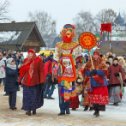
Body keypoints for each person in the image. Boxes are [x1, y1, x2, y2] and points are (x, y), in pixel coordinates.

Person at [55, 24, 82, 116]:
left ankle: (67, 108)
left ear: (72, 34)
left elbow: (79, 59)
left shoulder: (76, 46)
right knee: (61, 90)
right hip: (62, 72)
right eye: (66, 33)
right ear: (63, 33)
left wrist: (78, 68)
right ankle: (62, 108)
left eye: (69, 33)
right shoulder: (59, 45)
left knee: (68, 90)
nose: (67, 35)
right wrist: (57, 66)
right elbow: (56, 58)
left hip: (71, 72)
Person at [18, 49, 45, 116]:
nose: (30, 55)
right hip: (26, 82)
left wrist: (42, 80)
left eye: (31, 53)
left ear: (34, 54)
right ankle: (28, 110)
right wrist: (19, 79)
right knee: (27, 96)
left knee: (34, 96)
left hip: (35, 82)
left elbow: (41, 71)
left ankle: (34, 109)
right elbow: (23, 71)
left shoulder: (38, 60)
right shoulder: (26, 60)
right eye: (29, 53)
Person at [84, 50, 109, 117]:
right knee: (93, 97)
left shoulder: (102, 62)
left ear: (98, 55)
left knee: (99, 97)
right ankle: (95, 109)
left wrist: (97, 71)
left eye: (96, 55)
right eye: (94, 54)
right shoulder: (89, 62)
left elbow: (105, 71)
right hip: (93, 83)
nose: (95, 56)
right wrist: (90, 73)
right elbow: (86, 71)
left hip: (100, 83)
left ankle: (98, 110)